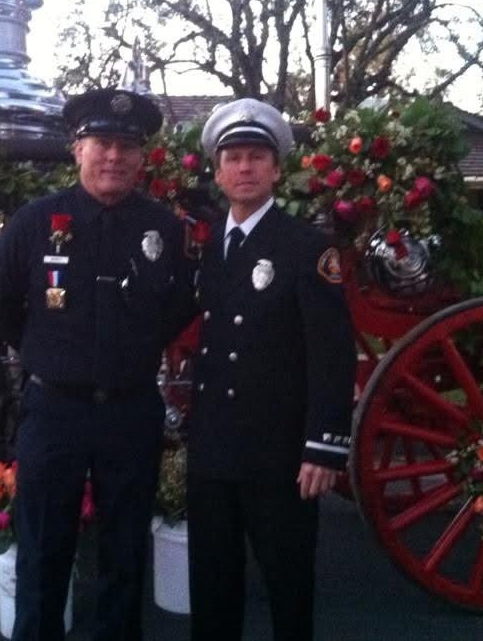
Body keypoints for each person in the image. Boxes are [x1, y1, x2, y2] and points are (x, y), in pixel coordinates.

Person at [0, 88, 194, 641]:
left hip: (130, 413)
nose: (114, 157)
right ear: (77, 149)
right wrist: (47, 353)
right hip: (55, 412)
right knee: (43, 554)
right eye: (102, 143)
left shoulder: (164, 230)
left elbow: (176, 307)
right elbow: (0, 304)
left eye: (127, 146)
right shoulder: (35, 223)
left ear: (142, 157)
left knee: (124, 557)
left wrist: (133, 352)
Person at [186, 98, 356, 641]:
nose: (244, 168)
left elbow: (332, 352)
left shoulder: (308, 247)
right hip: (213, 450)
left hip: (279, 454)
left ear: (277, 169)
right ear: (217, 171)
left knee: (287, 588)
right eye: (232, 157)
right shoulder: (212, 247)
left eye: (256, 156)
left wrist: (323, 446)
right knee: (212, 588)